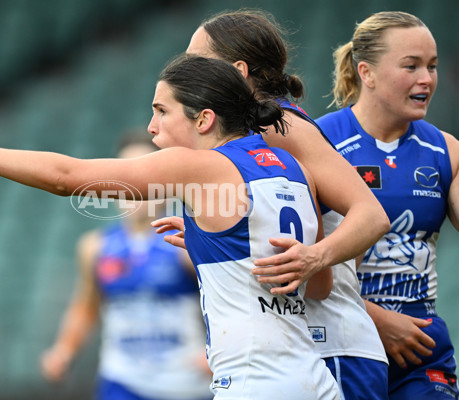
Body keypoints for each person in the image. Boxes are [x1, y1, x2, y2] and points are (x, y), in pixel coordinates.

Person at [0, 54, 340, 399]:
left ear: (203, 120)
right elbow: (319, 285)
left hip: (254, 381)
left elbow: (66, 177)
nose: (152, 126)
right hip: (312, 377)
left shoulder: (200, 166)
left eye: (162, 111)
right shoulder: (291, 168)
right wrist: (214, 245)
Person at [154, 9, 390, 399]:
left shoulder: (278, 129)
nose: (187, 67)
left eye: (197, 58)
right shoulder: (256, 133)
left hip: (329, 347)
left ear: (238, 70)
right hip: (308, 348)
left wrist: (316, 257)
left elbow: (371, 215)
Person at [316, 11, 459, 400]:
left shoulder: (446, 150)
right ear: (367, 73)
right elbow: (302, 258)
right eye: (411, 66)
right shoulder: (317, 142)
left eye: (432, 66)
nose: (427, 79)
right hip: (343, 339)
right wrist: (375, 318)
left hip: (421, 347)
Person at [40, 132, 212, 400]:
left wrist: (216, 350)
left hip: (187, 384)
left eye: (142, 173)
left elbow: (230, 301)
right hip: (123, 382)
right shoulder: (95, 247)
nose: (130, 186)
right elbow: (86, 306)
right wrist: (64, 350)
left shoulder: (187, 242)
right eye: (123, 175)